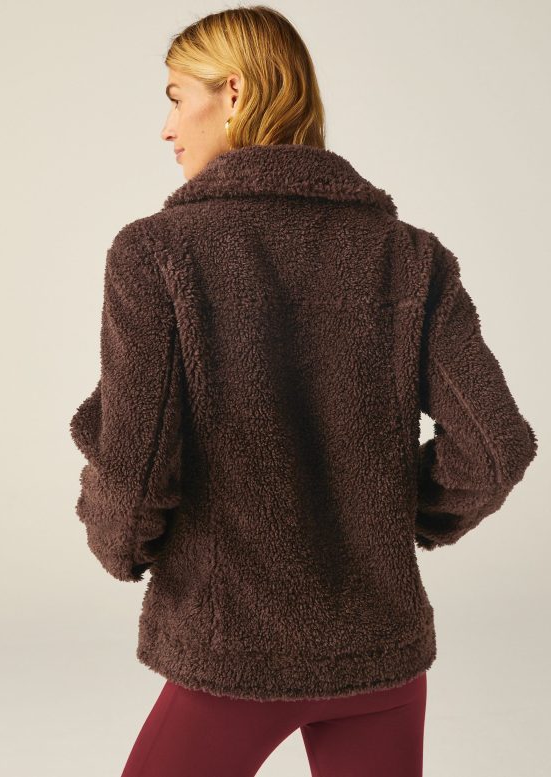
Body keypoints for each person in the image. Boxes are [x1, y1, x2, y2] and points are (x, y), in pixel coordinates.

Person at [68, 6, 538, 776]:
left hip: (234, 653)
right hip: (381, 658)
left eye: (177, 98)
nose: (166, 127)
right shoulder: (411, 256)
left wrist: (118, 547)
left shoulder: (155, 252)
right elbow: (495, 448)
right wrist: (390, 516)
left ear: (234, 91)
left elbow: (133, 469)